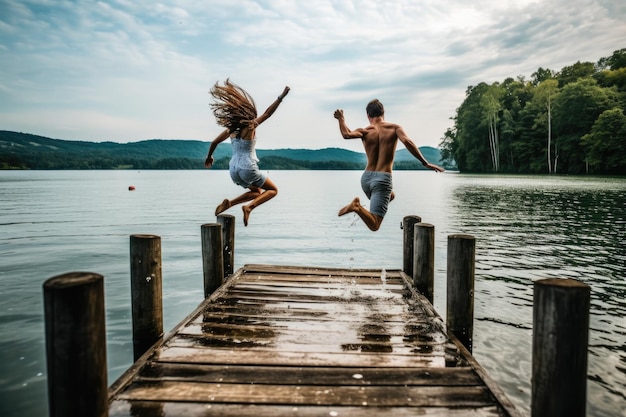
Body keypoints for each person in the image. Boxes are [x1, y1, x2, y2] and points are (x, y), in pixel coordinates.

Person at [334, 99, 444, 231]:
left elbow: (346, 134)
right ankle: (356, 207)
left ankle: (359, 207)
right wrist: (425, 163)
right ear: (383, 113)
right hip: (382, 180)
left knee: (390, 196)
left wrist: (341, 119)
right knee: (375, 224)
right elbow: (407, 141)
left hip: (366, 179)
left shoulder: (365, 131)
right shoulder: (394, 128)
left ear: (368, 115)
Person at [205, 79, 290, 226]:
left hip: (233, 169)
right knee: (273, 190)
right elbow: (268, 113)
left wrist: (209, 157)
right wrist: (281, 97)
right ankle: (249, 207)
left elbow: (214, 142)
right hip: (247, 167)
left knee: (256, 192)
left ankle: (229, 203)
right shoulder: (250, 127)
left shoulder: (231, 130)